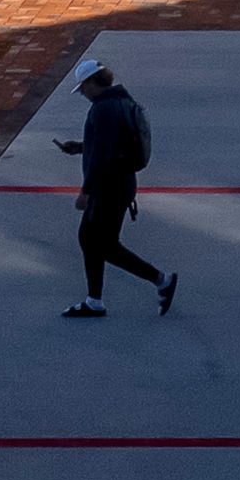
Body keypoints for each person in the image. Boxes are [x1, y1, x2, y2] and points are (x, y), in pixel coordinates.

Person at [53, 63, 175, 319]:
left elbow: (103, 154)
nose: (83, 94)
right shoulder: (121, 100)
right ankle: (94, 299)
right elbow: (108, 143)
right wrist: (79, 147)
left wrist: (86, 192)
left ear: (91, 83)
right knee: (91, 239)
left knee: (103, 244)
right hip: (120, 184)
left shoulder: (103, 109)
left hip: (109, 188)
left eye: (83, 88)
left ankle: (161, 280)